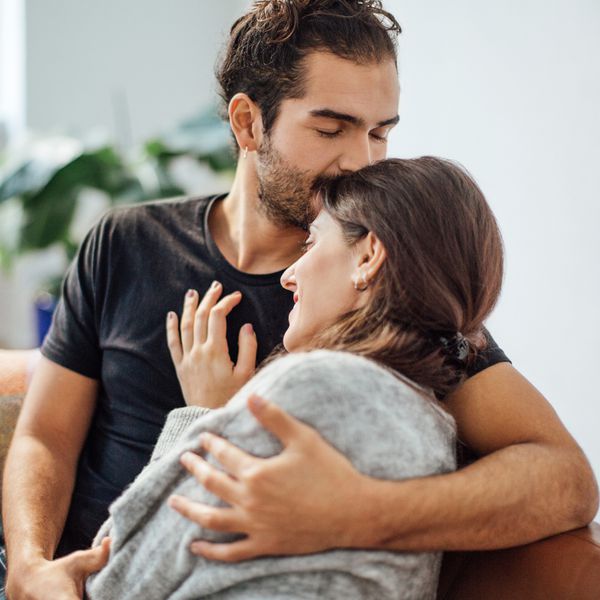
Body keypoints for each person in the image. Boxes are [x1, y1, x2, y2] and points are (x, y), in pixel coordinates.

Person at [2, 1, 597, 598]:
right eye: (331, 129)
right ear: (248, 124)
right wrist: (30, 567)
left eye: (380, 131)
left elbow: (564, 479)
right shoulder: (124, 243)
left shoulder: (382, 291)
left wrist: (362, 510)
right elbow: (44, 435)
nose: (361, 161)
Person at [86, 156, 498, 599]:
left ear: (369, 255)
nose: (288, 276)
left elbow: (112, 574)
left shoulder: (314, 385)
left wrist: (203, 415)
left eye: (311, 243)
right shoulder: (433, 426)